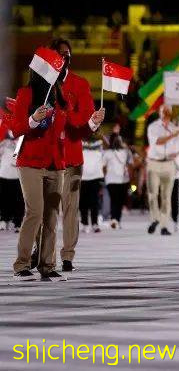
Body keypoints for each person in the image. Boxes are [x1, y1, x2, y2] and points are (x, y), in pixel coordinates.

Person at [11, 51, 103, 281]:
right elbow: (16, 128)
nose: (57, 72)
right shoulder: (25, 94)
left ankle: (47, 265)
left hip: (56, 163)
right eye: (52, 69)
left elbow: (74, 129)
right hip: (30, 162)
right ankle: (21, 264)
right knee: (35, 212)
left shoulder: (60, 95)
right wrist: (33, 119)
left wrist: (92, 123)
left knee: (51, 216)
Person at [49, 38, 96, 272]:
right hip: (45, 156)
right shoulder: (41, 83)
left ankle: (67, 255)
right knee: (45, 208)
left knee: (69, 209)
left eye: (68, 54)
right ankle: (43, 252)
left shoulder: (80, 84)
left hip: (71, 157)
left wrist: (92, 123)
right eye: (60, 54)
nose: (64, 58)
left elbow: (83, 120)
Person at [145, 105, 179, 236]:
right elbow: (158, 142)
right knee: (152, 194)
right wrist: (174, 134)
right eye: (163, 111)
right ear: (160, 112)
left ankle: (163, 225)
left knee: (166, 197)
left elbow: (178, 148)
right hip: (154, 163)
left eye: (168, 111)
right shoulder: (153, 127)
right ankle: (155, 218)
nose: (166, 113)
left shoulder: (175, 128)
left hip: (168, 164)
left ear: (171, 113)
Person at [101, 126, 131, 229]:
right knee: (119, 201)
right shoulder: (125, 152)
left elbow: (103, 166)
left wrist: (105, 175)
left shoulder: (107, 153)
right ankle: (117, 220)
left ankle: (114, 219)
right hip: (122, 180)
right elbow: (130, 163)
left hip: (110, 180)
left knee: (114, 200)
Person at [0, 129, 24, 231]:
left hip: (18, 176)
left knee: (18, 201)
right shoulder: (4, 143)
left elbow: (16, 157)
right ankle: (4, 220)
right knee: (4, 200)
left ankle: (18, 222)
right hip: (4, 174)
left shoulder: (22, 141)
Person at [79, 138, 104, 233]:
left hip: (96, 176)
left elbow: (110, 145)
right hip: (83, 176)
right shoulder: (80, 140)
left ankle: (95, 223)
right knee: (83, 202)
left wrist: (101, 135)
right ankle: (85, 223)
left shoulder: (100, 141)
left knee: (95, 202)